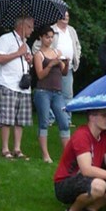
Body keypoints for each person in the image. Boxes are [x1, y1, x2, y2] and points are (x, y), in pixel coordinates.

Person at [0, 16, 34, 160]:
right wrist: (18, 53)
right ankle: (5, 149)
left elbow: (26, 62)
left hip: (23, 86)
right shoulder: (5, 39)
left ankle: (17, 148)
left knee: (20, 119)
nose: (32, 29)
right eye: (30, 26)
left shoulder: (26, 44)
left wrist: (29, 61)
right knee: (7, 118)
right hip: (8, 83)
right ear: (22, 26)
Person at [32, 10, 81, 126]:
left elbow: (78, 45)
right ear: (58, 18)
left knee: (68, 94)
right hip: (52, 66)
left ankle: (67, 120)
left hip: (66, 66)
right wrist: (41, 59)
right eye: (63, 16)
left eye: (68, 16)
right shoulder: (52, 30)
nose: (66, 18)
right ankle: (50, 118)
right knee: (49, 93)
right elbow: (36, 46)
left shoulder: (72, 30)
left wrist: (76, 57)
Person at [32, 25, 70, 163]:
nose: (49, 40)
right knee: (44, 122)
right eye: (47, 37)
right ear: (41, 38)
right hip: (43, 92)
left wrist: (63, 64)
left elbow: (64, 73)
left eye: (51, 37)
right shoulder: (38, 55)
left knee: (64, 122)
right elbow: (40, 75)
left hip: (58, 92)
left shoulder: (57, 52)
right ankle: (45, 155)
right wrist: (50, 64)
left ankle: (67, 154)